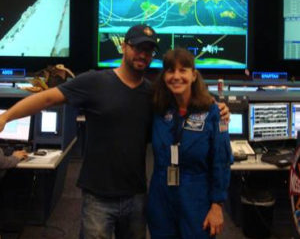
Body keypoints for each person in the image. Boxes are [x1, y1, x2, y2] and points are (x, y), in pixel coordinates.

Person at [0, 25, 230, 239]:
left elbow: (187, 105)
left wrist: (216, 109)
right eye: (137, 47)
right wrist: (5, 117)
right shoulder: (94, 81)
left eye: (148, 50)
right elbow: (47, 97)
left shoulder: (153, 96)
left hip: (137, 196)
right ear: (124, 46)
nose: (142, 54)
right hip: (98, 198)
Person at [147, 48, 232, 239]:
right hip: (161, 197)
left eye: (183, 70)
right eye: (170, 70)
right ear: (164, 76)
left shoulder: (213, 113)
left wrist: (217, 206)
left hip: (196, 198)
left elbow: (221, 161)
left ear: (193, 75)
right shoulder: (158, 110)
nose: (176, 76)